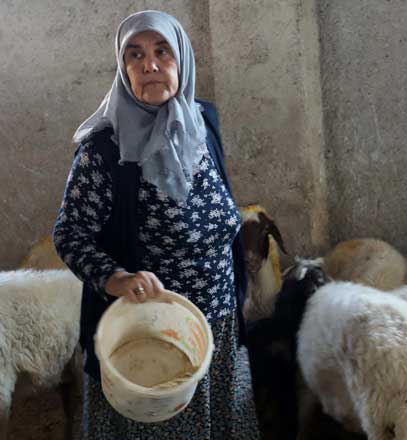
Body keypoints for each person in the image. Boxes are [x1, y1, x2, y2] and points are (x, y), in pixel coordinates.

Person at [53, 10, 260, 439]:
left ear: (181, 60)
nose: (149, 65)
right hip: (152, 333)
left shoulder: (201, 123)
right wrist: (116, 278)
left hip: (216, 323)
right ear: (123, 67)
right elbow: (69, 235)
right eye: (135, 55)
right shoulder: (105, 150)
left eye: (162, 51)